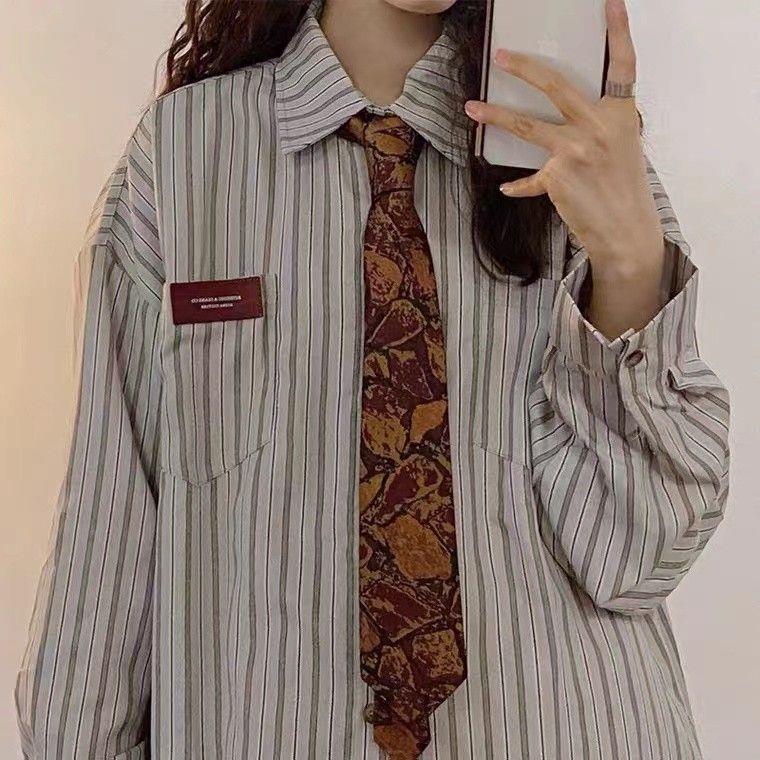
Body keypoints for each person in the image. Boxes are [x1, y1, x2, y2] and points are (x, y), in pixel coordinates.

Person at [15, 0, 731, 758]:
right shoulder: (187, 152)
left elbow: (638, 553)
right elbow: (108, 533)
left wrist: (631, 267)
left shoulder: (575, 148)